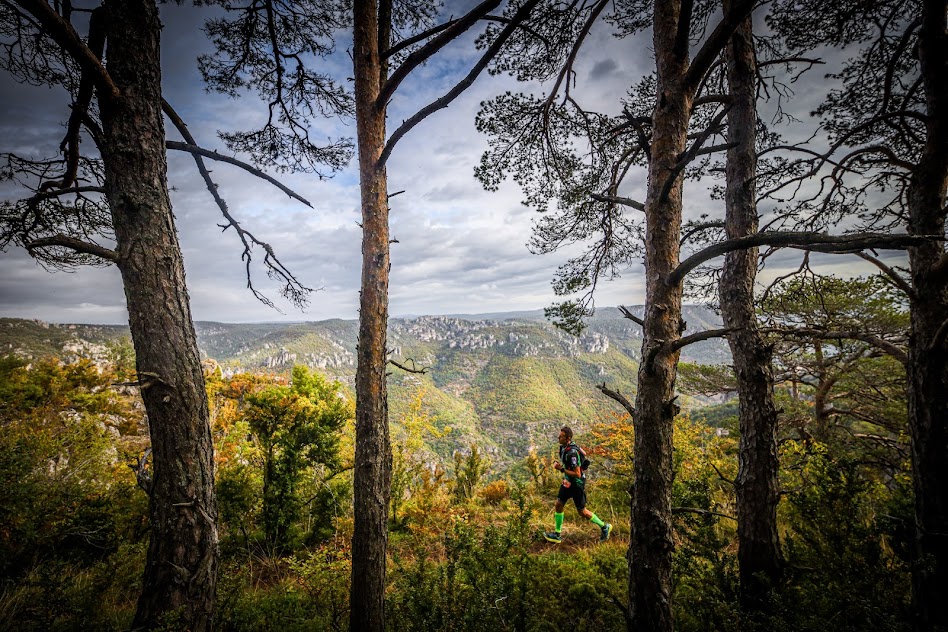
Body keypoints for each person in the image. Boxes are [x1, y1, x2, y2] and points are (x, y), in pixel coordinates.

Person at [544, 425, 612, 543]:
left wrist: (561, 469)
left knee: (582, 512)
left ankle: (605, 527)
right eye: (559, 436)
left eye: (561, 437)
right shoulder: (565, 447)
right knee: (559, 505)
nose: (558, 438)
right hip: (568, 482)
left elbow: (577, 474)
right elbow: (584, 453)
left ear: (568, 438)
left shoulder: (572, 453)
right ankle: (557, 534)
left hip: (576, 484)